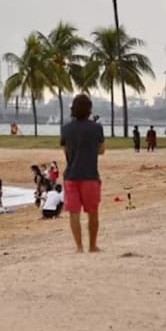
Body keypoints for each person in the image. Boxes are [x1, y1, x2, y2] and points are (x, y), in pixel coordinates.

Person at [60, 94, 105, 253]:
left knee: (74, 213)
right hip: (90, 175)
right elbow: (101, 150)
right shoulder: (96, 128)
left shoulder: (66, 128)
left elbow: (65, 150)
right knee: (92, 212)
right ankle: (92, 245)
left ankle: (79, 247)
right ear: (89, 110)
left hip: (71, 175)